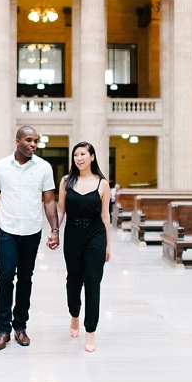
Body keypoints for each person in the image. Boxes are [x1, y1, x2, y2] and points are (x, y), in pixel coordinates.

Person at [0, 126, 59, 351]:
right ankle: (2, 330)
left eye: (36, 141)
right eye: (29, 140)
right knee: (5, 277)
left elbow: (49, 201)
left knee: (25, 278)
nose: (33, 144)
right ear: (17, 141)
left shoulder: (44, 167)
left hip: (32, 232)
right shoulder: (0, 167)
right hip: (8, 232)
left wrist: (55, 229)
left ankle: (20, 327)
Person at [54, 141, 111, 353]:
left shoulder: (102, 184)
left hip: (96, 236)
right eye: (76, 154)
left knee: (93, 283)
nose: (79, 158)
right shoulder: (66, 181)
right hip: (73, 237)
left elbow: (105, 216)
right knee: (73, 281)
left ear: (92, 157)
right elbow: (61, 210)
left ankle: (90, 332)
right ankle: (74, 315)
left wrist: (108, 245)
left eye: (83, 154)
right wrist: (54, 232)